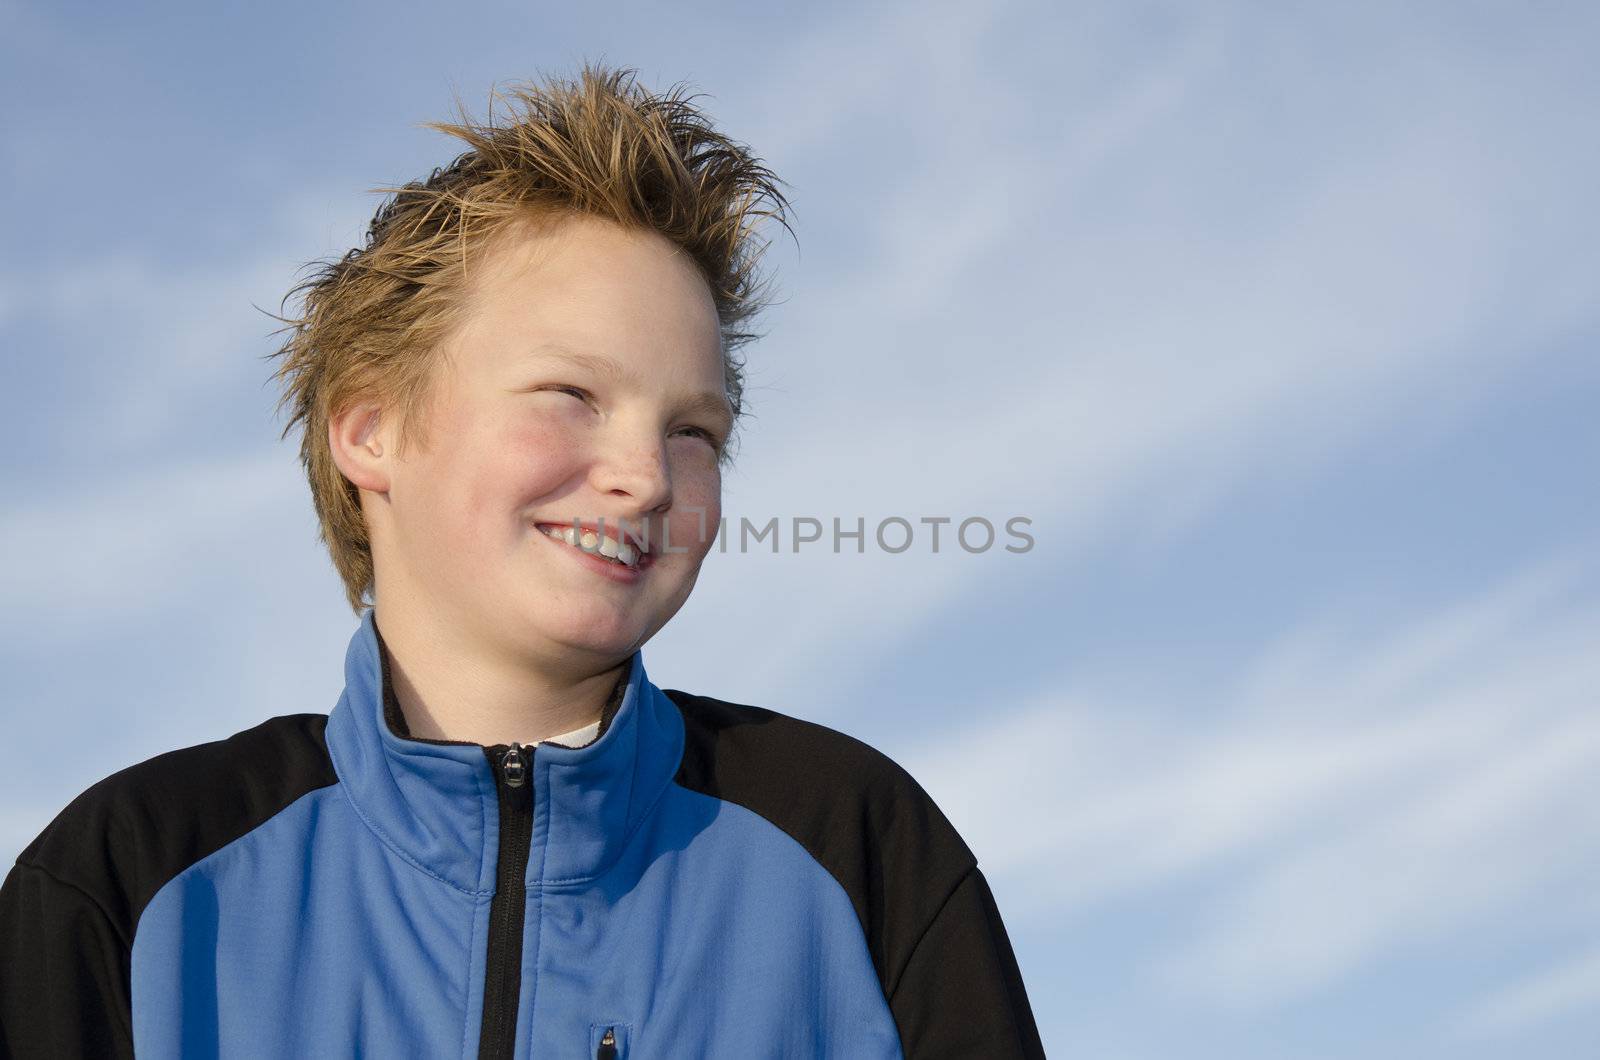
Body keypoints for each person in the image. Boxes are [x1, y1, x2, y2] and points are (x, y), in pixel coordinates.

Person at [0, 63, 1045, 1059]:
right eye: (571, 395)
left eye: (695, 430)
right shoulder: (131, 879)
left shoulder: (858, 853)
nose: (645, 474)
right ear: (369, 429)